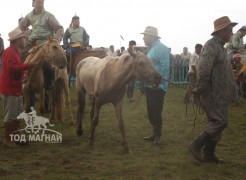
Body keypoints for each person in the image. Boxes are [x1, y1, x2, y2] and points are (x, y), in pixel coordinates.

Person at [189, 16, 238, 163]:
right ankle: (196, 145)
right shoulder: (211, 46)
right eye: (229, 30)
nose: (231, 32)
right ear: (221, 31)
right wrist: (200, 87)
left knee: (216, 122)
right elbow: (203, 67)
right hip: (212, 92)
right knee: (220, 121)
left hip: (220, 93)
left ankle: (209, 154)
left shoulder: (221, 48)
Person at [19, 0, 64, 111]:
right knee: (19, 57)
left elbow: (59, 28)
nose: (40, 4)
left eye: (42, 2)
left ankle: (50, 85)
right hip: (32, 44)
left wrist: (56, 39)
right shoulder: (29, 16)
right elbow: (21, 26)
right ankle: (20, 84)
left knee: (49, 67)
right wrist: (25, 35)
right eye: (38, 2)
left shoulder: (48, 16)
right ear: (32, 3)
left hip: (46, 44)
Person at [0, 28, 36, 147]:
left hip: (15, 87)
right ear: (18, 40)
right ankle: (8, 139)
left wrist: (23, 75)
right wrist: (28, 66)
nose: (25, 40)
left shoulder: (14, 51)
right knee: (10, 114)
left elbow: (16, 68)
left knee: (17, 113)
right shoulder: (10, 52)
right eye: (23, 38)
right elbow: (12, 68)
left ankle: (15, 137)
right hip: (10, 88)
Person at [141, 26, 170, 145]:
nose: (143, 38)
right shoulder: (150, 49)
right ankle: (154, 134)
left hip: (157, 87)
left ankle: (158, 136)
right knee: (150, 112)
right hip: (149, 85)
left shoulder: (162, 48)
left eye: (145, 36)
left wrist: (159, 83)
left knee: (156, 112)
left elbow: (165, 67)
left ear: (152, 37)